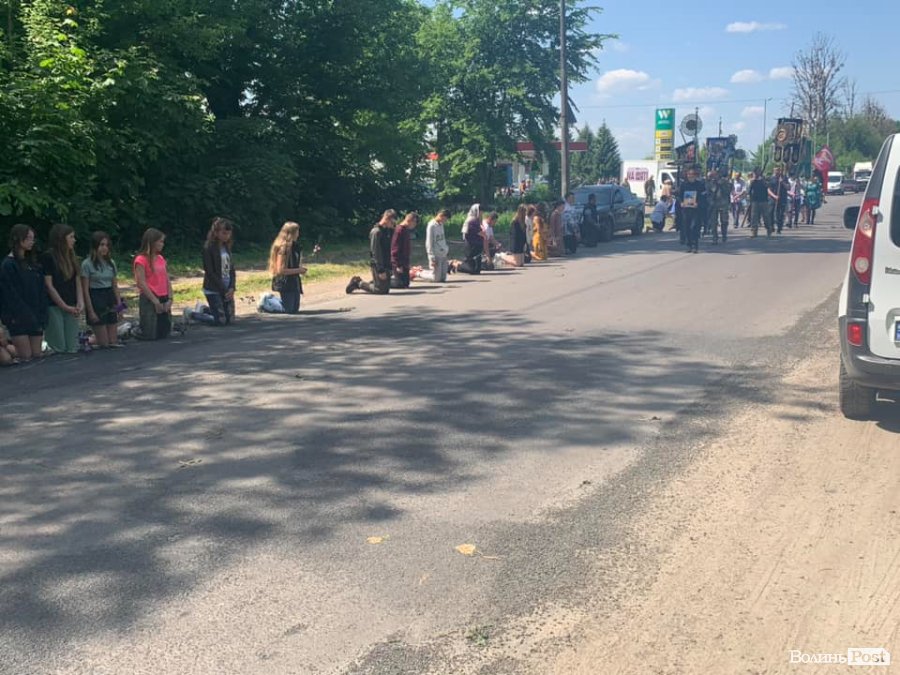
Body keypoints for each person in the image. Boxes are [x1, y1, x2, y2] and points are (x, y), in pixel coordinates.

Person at [0, 224, 47, 361]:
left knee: (37, 354)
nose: (32, 241)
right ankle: (7, 349)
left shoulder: (32, 264)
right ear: (19, 239)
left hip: (36, 313)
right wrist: (22, 314)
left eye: (33, 238)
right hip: (18, 316)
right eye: (28, 238)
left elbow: (40, 288)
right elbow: (10, 294)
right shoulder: (8, 265)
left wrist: (42, 312)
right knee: (26, 356)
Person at [42, 223, 83, 354]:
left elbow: (77, 281)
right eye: (71, 237)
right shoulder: (48, 257)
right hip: (54, 305)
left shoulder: (73, 257)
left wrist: (80, 302)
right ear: (61, 238)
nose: (74, 240)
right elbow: (49, 285)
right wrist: (64, 306)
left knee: (72, 345)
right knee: (58, 344)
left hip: (72, 302)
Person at [81, 231, 123, 348]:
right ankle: (88, 339)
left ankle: (97, 337)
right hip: (96, 296)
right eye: (101, 245)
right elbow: (85, 290)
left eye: (107, 245)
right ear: (95, 246)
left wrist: (120, 307)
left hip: (109, 295)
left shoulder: (111, 263)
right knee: (104, 343)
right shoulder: (87, 264)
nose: (105, 248)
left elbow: (115, 286)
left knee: (113, 341)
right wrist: (90, 311)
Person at [133, 228, 173, 340]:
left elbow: (166, 279)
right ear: (152, 242)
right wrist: (155, 301)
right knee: (150, 334)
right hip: (150, 297)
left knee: (164, 333)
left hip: (163, 295)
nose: (162, 244)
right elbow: (141, 282)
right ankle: (135, 330)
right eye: (160, 241)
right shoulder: (141, 260)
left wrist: (170, 298)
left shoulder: (160, 258)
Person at [347, 209, 395, 292]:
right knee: (380, 290)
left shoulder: (387, 231)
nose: (393, 224)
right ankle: (358, 283)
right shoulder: (376, 232)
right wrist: (380, 270)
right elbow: (375, 252)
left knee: (385, 289)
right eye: (392, 222)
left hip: (386, 263)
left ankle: (375, 282)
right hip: (378, 264)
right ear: (387, 219)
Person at [200, 217, 237, 324]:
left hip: (227, 287)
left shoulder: (227, 248)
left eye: (228, 234)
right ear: (216, 233)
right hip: (214, 288)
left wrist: (232, 287)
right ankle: (194, 314)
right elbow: (210, 272)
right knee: (220, 321)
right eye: (224, 233)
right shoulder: (208, 248)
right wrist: (224, 289)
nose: (227, 236)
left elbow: (231, 269)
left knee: (230, 320)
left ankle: (208, 310)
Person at [268, 221, 306, 313]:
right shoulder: (283, 248)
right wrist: (299, 270)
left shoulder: (295, 246)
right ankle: (267, 301)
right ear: (291, 233)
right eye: (297, 231)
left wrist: (299, 269)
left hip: (293, 281)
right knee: (289, 309)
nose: (298, 234)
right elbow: (281, 270)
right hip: (285, 282)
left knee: (294, 309)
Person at [415, 209, 450, 282]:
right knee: (436, 278)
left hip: (443, 252)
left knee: (443, 278)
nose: (445, 221)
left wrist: (446, 249)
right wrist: (431, 256)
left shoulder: (441, 225)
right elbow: (429, 241)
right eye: (445, 219)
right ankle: (418, 272)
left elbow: (442, 238)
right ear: (441, 216)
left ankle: (429, 272)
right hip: (436, 253)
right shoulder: (431, 225)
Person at [678, 166, 706, 253]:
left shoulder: (700, 185)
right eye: (689, 174)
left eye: (692, 174)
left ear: (695, 175)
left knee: (694, 227)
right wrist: (681, 202)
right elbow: (679, 196)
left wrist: (698, 203)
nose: (690, 176)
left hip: (696, 210)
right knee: (686, 228)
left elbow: (704, 196)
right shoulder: (683, 185)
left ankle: (695, 245)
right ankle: (689, 245)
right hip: (686, 210)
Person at [390, 212, 417, 288]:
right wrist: (398, 265)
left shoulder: (406, 230)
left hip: (404, 262)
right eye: (414, 222)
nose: (415, 225)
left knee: (406, 283)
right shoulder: (399, 230)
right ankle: (384, 281)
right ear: (410, 220)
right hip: (398, 262)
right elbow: (395, 248)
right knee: (400, 284)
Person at [456, 204, 484, 275]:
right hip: (471, 246)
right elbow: (480, 232)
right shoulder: (471, 221)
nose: (481, 213)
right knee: (471, 269)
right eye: (480, 211)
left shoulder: (478, 221)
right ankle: (455, 264)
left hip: (478, 246)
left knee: (477, 270)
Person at [706, 168, 731, 244]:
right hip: (714, 204)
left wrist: (721, 185)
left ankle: (724, 235)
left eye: (715, 175)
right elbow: (708, 194)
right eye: (712, 176)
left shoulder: (724, 182)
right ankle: (715, 238)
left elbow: (728, 191)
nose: (714, 177)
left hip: (723, 203)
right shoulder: (710, 183)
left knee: (724, 221)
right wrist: (710, 202)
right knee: (713, 222)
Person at [747, 169, 771, 238]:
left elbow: (768, 186)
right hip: (755, 200)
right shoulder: (752, 181)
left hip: (764, 200)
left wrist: (763, 180)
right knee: (754, 217)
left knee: (766, 216)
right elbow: (749, 190)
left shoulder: (763, 180)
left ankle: (768, 229)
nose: (756, 174)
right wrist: (752, 182)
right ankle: (754, 232)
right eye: (755, 172)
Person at [767, 165, 789, 234]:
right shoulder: (771, 178)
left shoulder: (784, 178)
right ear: (773, 171)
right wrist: (774, 196)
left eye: (778, 170)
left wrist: (782, 182)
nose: (777, 171)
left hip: (782, 198)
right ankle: (771, 226)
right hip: (772, 198)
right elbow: (768, 189)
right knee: (770, 212)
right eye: (776, 170)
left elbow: (788, 187)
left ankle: (779, 228)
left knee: (780, 214)